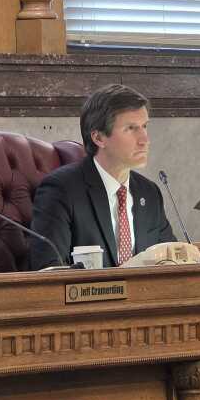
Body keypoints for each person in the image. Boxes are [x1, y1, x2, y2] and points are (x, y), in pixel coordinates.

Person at [30, 84, 175, 269]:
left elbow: (170, 263)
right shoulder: (61, 190)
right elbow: (49, 270)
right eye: (131, 128)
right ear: (98, 138)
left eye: (144, 126)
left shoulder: (149, 192)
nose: (145, 139)